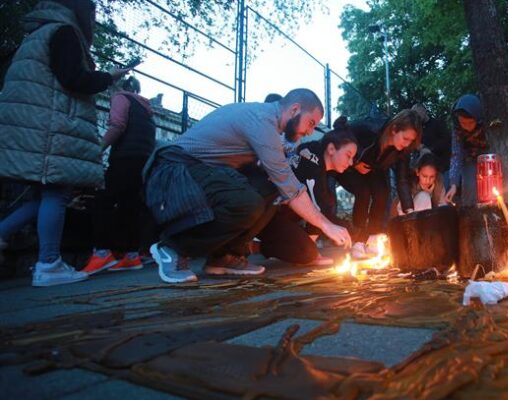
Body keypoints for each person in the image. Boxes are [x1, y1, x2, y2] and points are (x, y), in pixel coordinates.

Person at [143, 88, 351, 284]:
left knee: (270, 189)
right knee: (247, 201)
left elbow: (281, 184)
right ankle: (172, 248)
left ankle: (226, 256)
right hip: (174, 170)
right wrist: (326, 225)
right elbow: (289, 184)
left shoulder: (271, 126)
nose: (309, 131)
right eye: (311, 122)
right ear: (295, 109)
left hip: (207, 174)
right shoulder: (262, 120)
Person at [0, 0, 130, 287]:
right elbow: (74, 78)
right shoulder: (64, 32)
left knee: (41, 195)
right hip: (51, 126)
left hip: (29, 126)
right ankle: (48, 264)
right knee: (56, 193)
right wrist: (109, 77)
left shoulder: (36, 34)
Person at [82, 76, 156, 275]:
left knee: (103, 200)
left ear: (117, 85)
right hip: (143, 160)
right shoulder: (147, 110)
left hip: (125, 156)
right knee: (130, 205)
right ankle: (131, 256)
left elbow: (117, 125)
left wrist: (99, 148)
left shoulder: (120, 98)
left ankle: (102, 252)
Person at [257, 129, 358, 264]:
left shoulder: (319, 167)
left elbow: (318, 210)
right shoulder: (311, 163)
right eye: (348, 155)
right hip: (265, 212)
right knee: (305, 252)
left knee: (312, 239)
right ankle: (262, 246)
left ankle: (304, 248)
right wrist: (354, 234)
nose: (351, 163)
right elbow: (318, 209)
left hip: (281, 213)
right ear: (331, 149)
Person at [337, 109, 422, 258]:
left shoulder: (402, 151)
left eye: (411, 141)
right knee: (363, 193)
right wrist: (355, 161)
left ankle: (372, 239)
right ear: (394, 129)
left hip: (374, 168)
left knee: (382, 194)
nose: (407, 144)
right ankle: (358, 241)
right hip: (349, 165)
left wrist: (410, 211)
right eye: (405, 138)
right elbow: (342, 133)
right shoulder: (370, 128)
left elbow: (402, 180)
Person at [446, 94, 486, 206]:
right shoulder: (457, 129)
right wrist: (453, 184)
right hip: (468, 158)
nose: (466, 127)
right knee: (469, 184)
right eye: (463, 123)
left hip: (486, 157)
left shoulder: (487, 124)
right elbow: (456, 154)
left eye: (470, 123)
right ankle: (470, 211)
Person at [411, 103, 451, 173]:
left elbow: (446, 141)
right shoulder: (417, 128)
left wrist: (430, 149)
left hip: (441, 167)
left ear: (424, 111)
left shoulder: (438, 124)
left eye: (418, 114)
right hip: (423, 168)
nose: (417, 117)